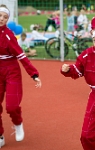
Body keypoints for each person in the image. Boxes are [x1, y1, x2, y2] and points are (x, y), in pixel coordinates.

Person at [0, 4, 42, 147]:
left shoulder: (9, 35)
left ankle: (17, 123)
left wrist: (33, 73)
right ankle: (0, 136)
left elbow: (21, 55)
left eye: (5, 17)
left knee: (11, 106)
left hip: (11, 71)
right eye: (0, 16)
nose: (1, 19)